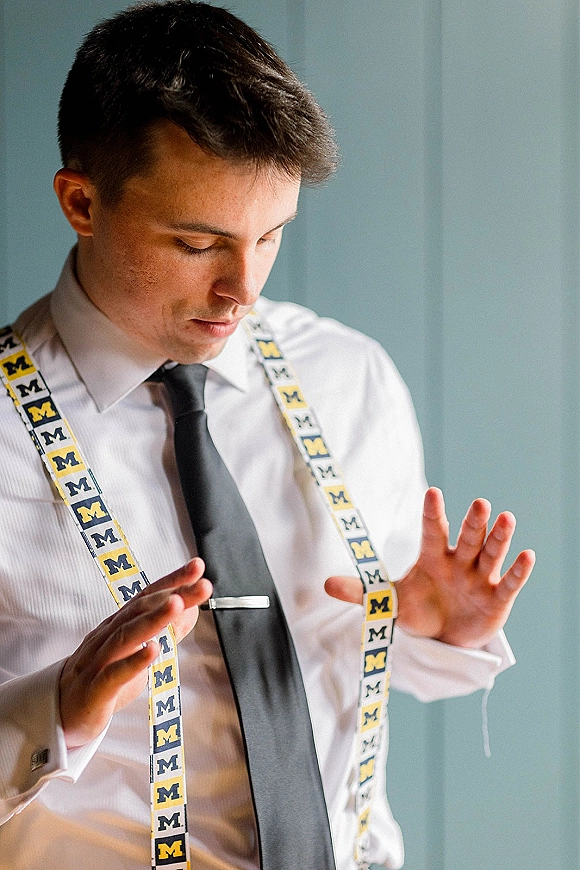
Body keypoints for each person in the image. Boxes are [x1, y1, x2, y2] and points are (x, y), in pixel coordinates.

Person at [0, 2, 535, 869]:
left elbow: (340, 674)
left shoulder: (349, 377)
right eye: (196, 242)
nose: (240, 289)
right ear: (82, 201)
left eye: (270, 235)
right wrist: (52, 709)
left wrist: (434, 627)